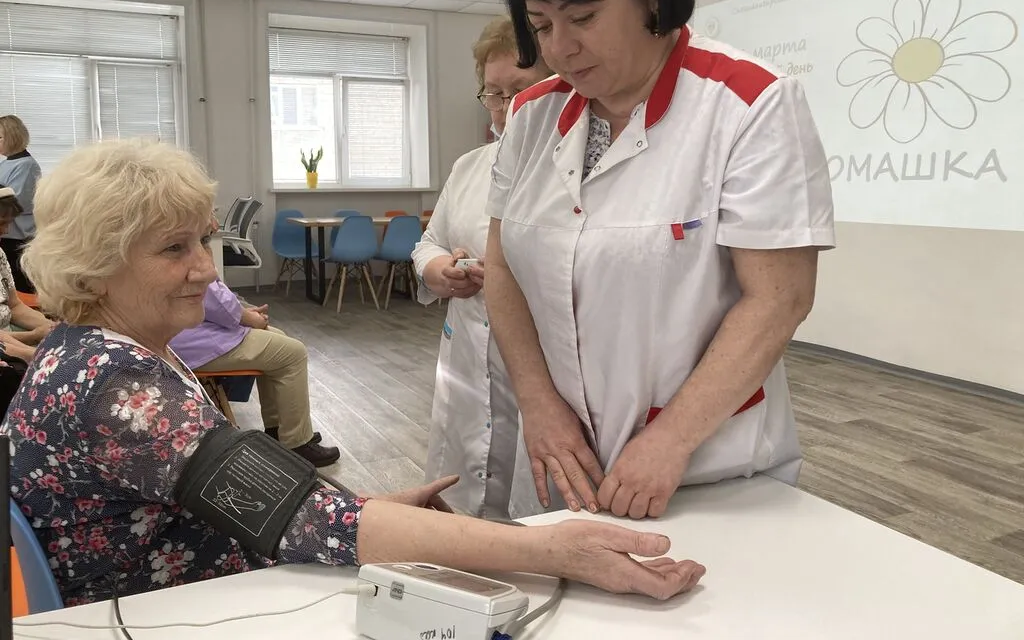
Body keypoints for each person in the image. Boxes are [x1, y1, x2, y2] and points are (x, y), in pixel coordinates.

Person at [1, 139, 705, 607]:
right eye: (174, 250)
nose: (206, 270)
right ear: (96, 264)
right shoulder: (118, 388)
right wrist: (551, 551)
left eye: (203, 241)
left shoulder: (97, 350)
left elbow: (259, 499)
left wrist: (376, 508)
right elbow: (302, 518)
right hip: (164, 611)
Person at [486, 0, 835, 521]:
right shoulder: (532, 115)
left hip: (703, 468)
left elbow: (779, 299)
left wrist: (670, 441)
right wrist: (537, 400)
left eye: (582, 18)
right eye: (541, 25)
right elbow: (502, 265)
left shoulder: (750, 104)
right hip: (561, 457)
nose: (560, 48)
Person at [411, 18, 551, 518]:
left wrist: (514, 280)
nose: (507, 107)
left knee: (535, 505)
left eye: (522, 90)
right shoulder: (469, 166)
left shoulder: (576, 170)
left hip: (543, 367)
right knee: (464, 501)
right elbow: (428, 243)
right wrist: (440, 270)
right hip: (469, 353)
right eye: (494, 93)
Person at [170, 242, 342, 467]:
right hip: (193, 342)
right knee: (293, 352)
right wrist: (249, 317)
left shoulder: (174, 246)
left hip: (191, 334)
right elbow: (216, 300)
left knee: (279, 340)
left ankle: (279, 430)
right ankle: (297, 443)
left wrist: (242, 312)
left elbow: (217, 300)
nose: (214, 224)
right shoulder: (188, 248)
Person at [0, 188, 54, 413]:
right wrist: (33, 340)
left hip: (10, 337)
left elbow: (14, 306)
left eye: (8, 223)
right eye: (2, 223)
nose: (6, 230)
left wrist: (50, 327)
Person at [0, 115, 42, 292]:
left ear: (12, 136)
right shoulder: (5, 163)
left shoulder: (26, 165)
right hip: (6, 237)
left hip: (17, 239)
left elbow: (13, 203)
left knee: (20, 288)